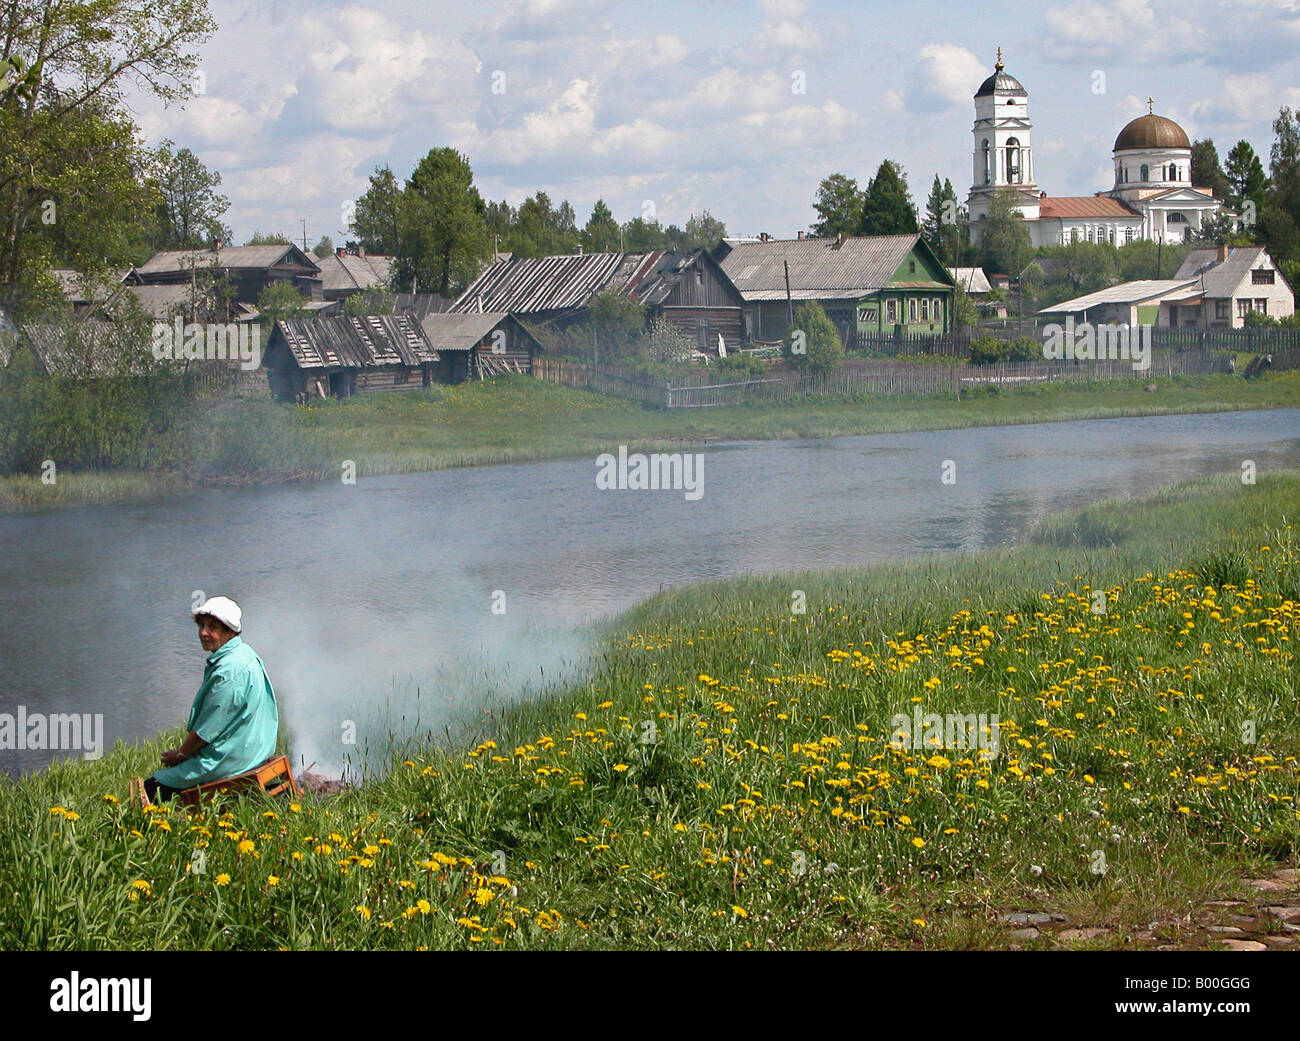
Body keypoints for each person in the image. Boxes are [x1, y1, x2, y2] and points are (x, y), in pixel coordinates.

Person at [145, 596, 280, 802]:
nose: (203, 632)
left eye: (212, 627)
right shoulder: (245, 653)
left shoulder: (228, 672)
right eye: (201, 625)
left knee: (152, 786)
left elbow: (205, 733)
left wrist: (181, 755)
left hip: (233, 760)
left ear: (230, 631)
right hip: (253, 750)